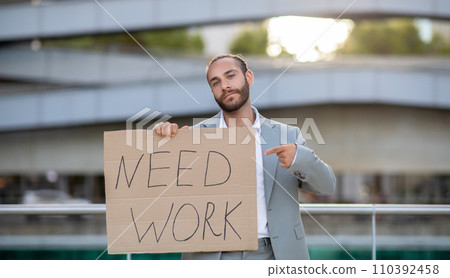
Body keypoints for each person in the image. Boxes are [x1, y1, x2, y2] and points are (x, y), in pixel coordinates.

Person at [154, 54, 336, 259]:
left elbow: (326, 187)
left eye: (230, 76)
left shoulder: (286, 136)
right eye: (216, 82)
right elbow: (165, 196)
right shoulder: (193, 137)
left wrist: (298, 158)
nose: (224, 86)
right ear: (212, 91)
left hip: (273, 254)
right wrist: (163, 145)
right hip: (213, 257)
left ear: (248, 77)